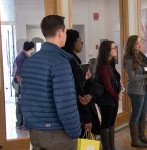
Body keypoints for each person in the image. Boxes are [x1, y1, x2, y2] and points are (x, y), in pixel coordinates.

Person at [21, 15, 81, 150]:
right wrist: (75, 131)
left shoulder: (29, 62)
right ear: (60, 32)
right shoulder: (60, 62)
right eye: (65, 31)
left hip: (35, 133)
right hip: (57, 134)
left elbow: (25, 98)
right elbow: (65, 103)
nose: (65, 35)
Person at [62, 29, 100, 137]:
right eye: (80, 41)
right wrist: (87, 118)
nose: (81, 44)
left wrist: (83, 78)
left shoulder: (67, 57)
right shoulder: (72, 60)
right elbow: (79, 90)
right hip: (76, 109)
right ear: (73, 42)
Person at [122, 35, 147, 148]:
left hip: (144, 88)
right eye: (137, 43)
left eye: (141, 42)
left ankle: (142, 136)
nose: (140, 45)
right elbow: (132, 77)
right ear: (132, 44)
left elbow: (145, 69)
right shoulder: (129, 58)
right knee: (136, 114)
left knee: (143, 113)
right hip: (135, 89)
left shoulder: (141, 56)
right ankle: (135, 140)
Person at [95, 40, 122, 150]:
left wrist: (119, 87)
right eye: (113, 48)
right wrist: (117, 96)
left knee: (111, 123)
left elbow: (113, 81)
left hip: (112, 99)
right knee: (106, 124)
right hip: (106, 100)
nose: (116, 49)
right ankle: (107, 148)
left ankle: (112, 147)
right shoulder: (104, 66)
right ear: (107, 51)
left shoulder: (111, 64)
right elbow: (107, 86)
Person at [12, 41, 35, 128]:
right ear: (30, 49)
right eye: (33, 49)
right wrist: (22, 86)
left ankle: (23, 122)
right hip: (18, 83)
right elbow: (18, 74)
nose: (33, 50)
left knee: (23, 102)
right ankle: (19, 123)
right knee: (19, 102)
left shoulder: (25, 56)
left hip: (21, 82)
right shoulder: (21, 58)